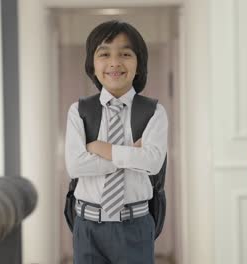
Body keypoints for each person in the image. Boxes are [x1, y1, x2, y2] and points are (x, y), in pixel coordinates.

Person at [64, 20, 168, 264]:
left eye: (125, 54)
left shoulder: (153, 111)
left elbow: (152, 163)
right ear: (92, 64)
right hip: (88, 227)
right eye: (104, 53)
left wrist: (102, 149)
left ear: (139, 64)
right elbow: (76, 166)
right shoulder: (79, 111)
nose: (114, 62)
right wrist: (130, 155)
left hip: (135, 226)